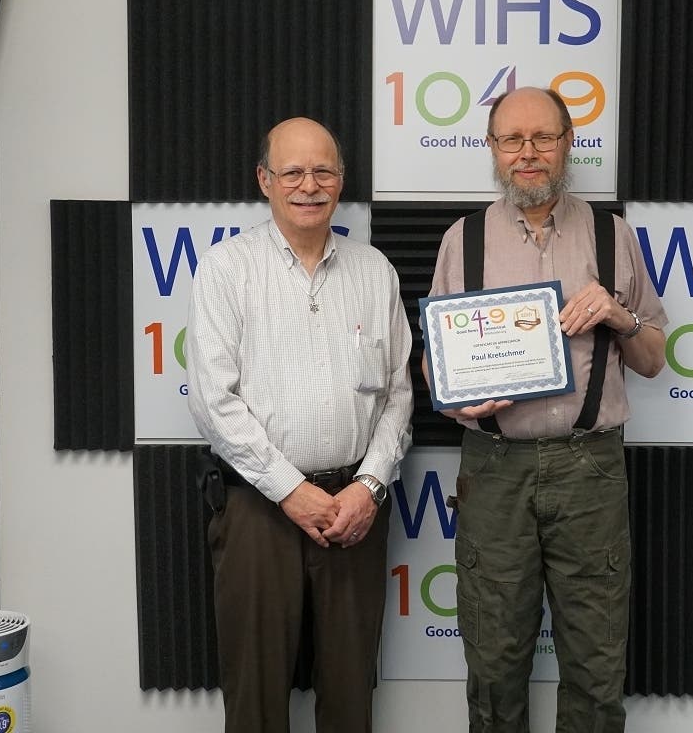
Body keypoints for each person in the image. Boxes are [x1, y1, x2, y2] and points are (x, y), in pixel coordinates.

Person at [424, 87, 668, 732]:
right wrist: (457, 399)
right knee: (493, 661)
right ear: (493, 150)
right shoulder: (464, 239)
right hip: (494, 469)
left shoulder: (613, 237)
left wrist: (620, 314)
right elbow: (434, 364)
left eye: (543, 138)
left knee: (596, 661)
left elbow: (652, 358)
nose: (527, 153)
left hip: (591, 470)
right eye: (512, 140)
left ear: (567, 145)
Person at [185, 117, 413, 733]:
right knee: (255, 698)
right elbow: (213, 401)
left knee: (349, 698)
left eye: (323, 171)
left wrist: (368, 488)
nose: (308, 185)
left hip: (354, 510)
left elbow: (398, 394)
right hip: (257, 508)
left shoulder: (375, 271)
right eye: (292, 172)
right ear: (264, 179)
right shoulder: (227, 269)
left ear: (341, 181)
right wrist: (290, 489)